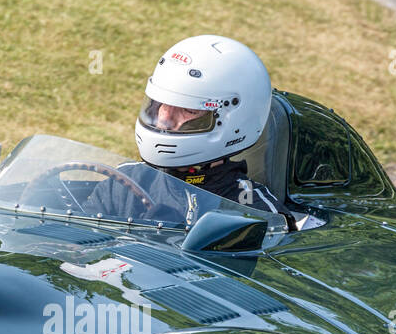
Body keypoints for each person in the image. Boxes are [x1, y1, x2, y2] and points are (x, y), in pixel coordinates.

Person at [84, 35, 317, 230]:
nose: (164, 118)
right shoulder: (125, 182)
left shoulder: (254, 210)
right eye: (161, 103)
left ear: (233, 120)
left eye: (186, 109)